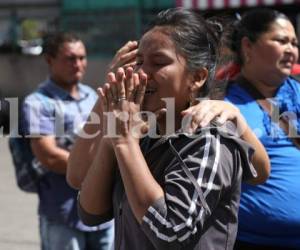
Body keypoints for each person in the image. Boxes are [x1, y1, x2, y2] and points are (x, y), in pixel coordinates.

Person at [71, 8, 270, 249]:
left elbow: (171, 233)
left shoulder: (208, 139)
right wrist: (114, 134)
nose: (142, 73)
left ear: (196, 77)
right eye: (138, 62)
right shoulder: (142, 133)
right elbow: (90, 212)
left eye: (158, 62)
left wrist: (124, 142)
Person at [21, 32, 114, 250]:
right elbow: (50, 156)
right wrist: (101, 168)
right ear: (49, 60)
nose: (78, 64)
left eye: (82, 58)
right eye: (70, 58)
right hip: (62, 214)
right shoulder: (38, 103)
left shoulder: (92, 96)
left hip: (101, 214)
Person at [221, 9, 299, 249]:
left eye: (294, 43)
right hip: (253, 241)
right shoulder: (223, 104)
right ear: (248, 46)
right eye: (281, 40)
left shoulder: (295, 94)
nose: (291, 50)